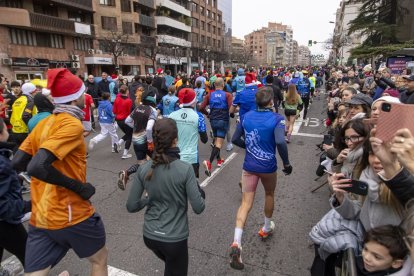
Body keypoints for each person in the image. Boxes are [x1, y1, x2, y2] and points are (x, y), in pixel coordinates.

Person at [12, 68, 107, 275]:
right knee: (99, 260)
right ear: (75, 98)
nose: (85, 96)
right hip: (71, 213)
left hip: (41, 216)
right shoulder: (72, 125)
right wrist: (79, 187)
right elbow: (37, 166)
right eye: (82, 92)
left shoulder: (44, 122)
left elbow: (18, 161)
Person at [126, 118, 205, 276]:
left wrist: (148, 199)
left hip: (149, 236)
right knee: (176, 267)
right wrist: (199, 190)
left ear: (154, 140)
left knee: (172, 265)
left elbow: (132, 205)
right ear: (175, 140)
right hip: (174, 239)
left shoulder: (144, 168)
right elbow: (198, 207)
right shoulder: (185, 169)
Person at [229, 87, 292, 270]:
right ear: (271, 101)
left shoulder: (246, 116)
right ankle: (265, 228)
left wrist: (248, 147)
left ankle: (236, 242)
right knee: (269, 194)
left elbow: (235, 138)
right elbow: (280, 142)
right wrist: (286, 163)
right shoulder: (277, 119)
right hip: (268, 166)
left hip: (249, 166)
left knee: (245, 204)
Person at [0, 117, 30, 269]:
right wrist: (30, 205)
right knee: (30, 256)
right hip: (5, 223)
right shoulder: (2, 163)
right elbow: (3, 206)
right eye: (5, 128)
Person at [117, 89, 157, 190]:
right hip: (146, 141)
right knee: (158, 160)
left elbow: (127, 121)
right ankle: (152, 185)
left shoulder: (137, 108)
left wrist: (136, 127)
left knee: (141, 163)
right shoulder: (152, 110)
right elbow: (148, 128)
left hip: (135, 140)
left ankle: (127, 173)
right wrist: (150, 142)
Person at [169, 88, 208, 178]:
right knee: (191, 187)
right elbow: (204, 139)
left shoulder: (172, 115)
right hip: (191, 158)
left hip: (174, 157)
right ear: (194, 101)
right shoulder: (199, 117)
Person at [199, 78, 233, 176]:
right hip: (223, 120)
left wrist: (207, 114)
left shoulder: (210, 94)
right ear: (223, 84)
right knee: (219, 143)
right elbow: (231, 108)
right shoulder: (227, 95)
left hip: (213, 120)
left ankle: (218, 160)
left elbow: (201, 107)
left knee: (215, 139)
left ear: (214, 85)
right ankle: (209, 162)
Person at [9, 82, 37, 150]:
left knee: (18, 153)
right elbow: (25, 116)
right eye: (35, 91)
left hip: (15, 131)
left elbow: (12, 117)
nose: (36, 93)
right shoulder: (30, 101)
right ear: (31, 92)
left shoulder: (17, 100)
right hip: (25, 132)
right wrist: (32, 129)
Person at [113, 85, 133, 159]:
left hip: (118, 120)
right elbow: (129, 112)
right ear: (127, 91)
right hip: (126, 120)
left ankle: (119, 143)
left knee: (128, 134)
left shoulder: (116, 99)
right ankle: (124, 154)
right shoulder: (129, 100)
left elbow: (114, 111)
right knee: (130, 135)